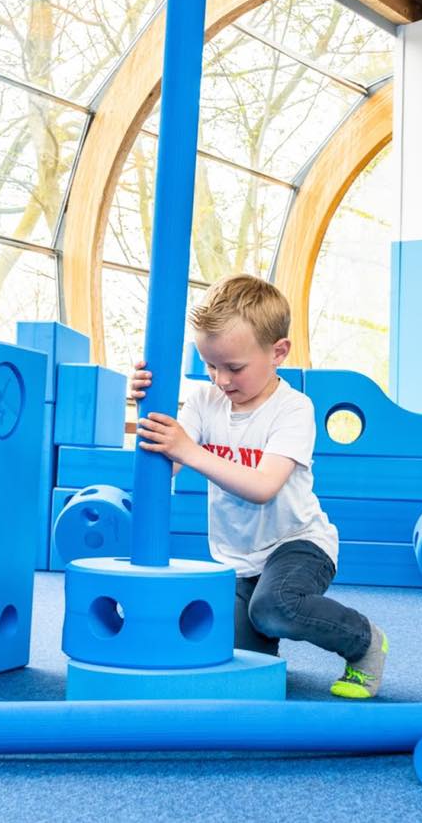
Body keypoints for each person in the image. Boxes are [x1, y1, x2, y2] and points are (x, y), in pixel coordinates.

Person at [130, 274, 389, 699]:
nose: (221, 380)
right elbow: (165, 469)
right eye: (210, 365)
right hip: (238, 559)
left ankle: (364, 641)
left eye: (234, 367)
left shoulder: (293, 408)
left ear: (278, 352)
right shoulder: (203, 400)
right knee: (240, 667)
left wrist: (190, 451)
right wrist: (148, 406)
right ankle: (263, 643)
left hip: (299, 544)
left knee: (274, 608)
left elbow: (264, 486)